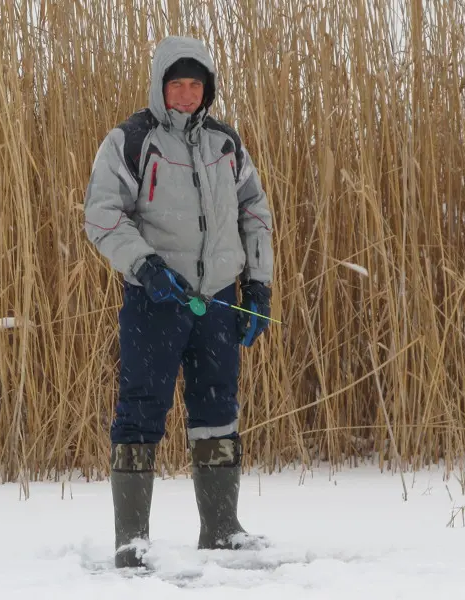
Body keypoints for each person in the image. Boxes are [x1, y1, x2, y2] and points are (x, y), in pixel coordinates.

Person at [83, 35, 274, 568]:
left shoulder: (225, 143)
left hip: (217, 301)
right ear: (160, 86)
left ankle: (221, 529)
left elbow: (254, 212)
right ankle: (132, 541)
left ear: (207, 88)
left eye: (196, 85)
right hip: (155, 300)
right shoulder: (132, 139)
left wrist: (257, 287)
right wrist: (144, 266)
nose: (187, 94)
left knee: (217, 407)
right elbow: (101, 214)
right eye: (177, 84)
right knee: (141, 409)